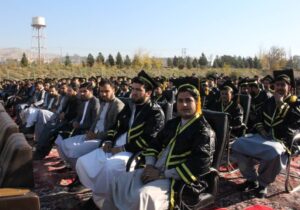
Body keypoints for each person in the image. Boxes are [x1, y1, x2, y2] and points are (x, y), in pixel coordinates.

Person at [96, 83, 215, 210]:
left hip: (179, 181)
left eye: (188, 100)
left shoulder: (204, 131)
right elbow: (154, 145)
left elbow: (199, 165)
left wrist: (162, 174)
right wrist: (149, 165)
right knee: (118, 181)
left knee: (142, 196)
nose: (184, 104)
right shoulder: (173, 123)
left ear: (197, 103)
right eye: (180, 101)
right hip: (154, 170)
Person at [75, 70, 165, 209]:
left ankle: (99, 202)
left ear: (148, 93)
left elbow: (148, 140)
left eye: (138, 90)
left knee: (109, 167)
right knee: (82, 162)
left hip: (133, 152)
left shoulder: (155, 112)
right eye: (133, 89)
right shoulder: (130, 106)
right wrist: (109, 140)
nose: (133, 93)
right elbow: (115, 126)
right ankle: (99, 193)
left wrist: (123, 148)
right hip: (115, 146)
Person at [232, 74, 300, 198]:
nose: (279, 88)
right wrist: (262, 130)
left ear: (289, 87)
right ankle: (252, 179)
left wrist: (281, 104)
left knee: (273, 151)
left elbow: (294, 124)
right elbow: (258, 118)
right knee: (238, 143)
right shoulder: (269, 101)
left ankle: (263, 183)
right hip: (263, 136)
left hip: (283, 141)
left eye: (282, 85)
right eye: (277, 85)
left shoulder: (296, 103)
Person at [56, 79, 124, 170]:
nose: (103, 94)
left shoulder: (118, 106)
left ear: (114, 90)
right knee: (64, 143)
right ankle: (71, 167)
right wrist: (90, 131)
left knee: (74, 151)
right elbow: (96, 120)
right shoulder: (103, 103)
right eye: (101, 91)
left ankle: (79, 176)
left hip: (102, 139)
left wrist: (96, 135)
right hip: (92, 134)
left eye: (106, 91)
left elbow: (115, 129)